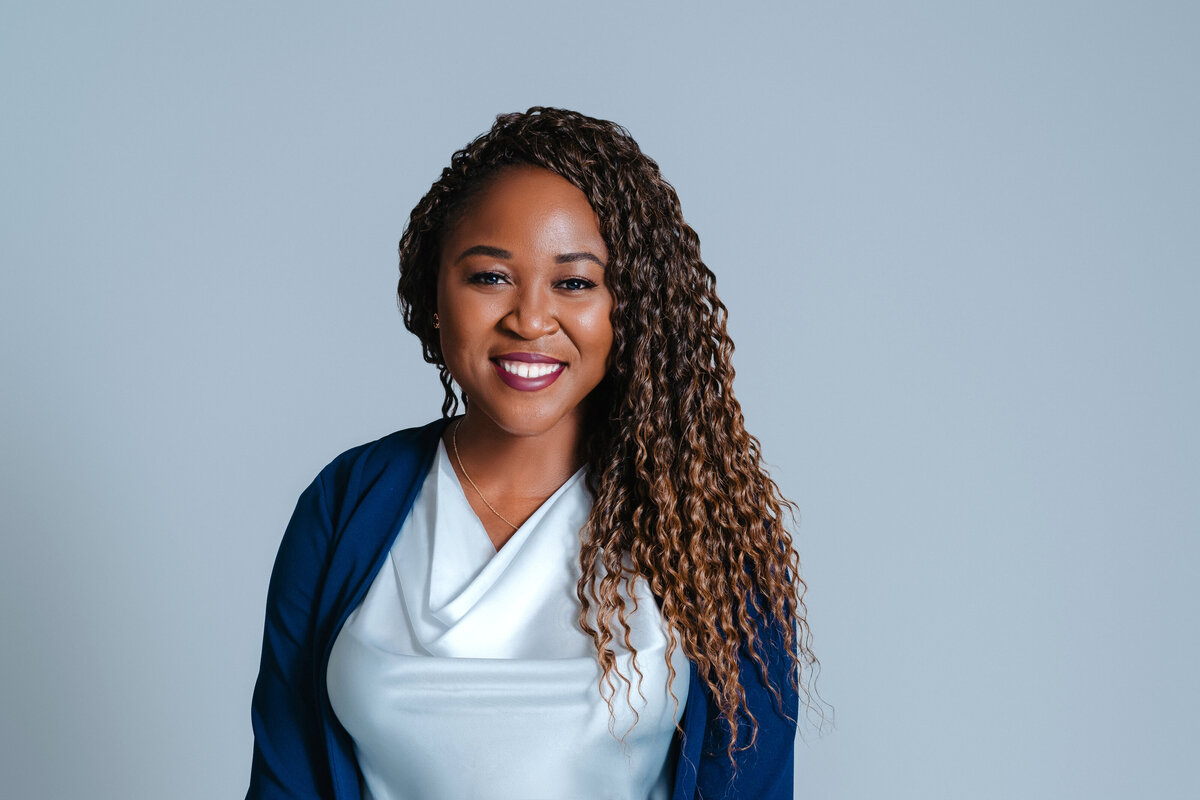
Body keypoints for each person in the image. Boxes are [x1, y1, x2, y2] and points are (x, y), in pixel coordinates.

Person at [246, 107, 819, 800]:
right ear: (434, 296)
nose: (529, 318)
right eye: (490, 277)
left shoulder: (701, 529)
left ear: (628, 308)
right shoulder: (344, 509)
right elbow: (285, 779)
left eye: (574, 283)